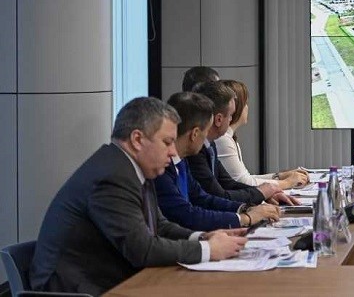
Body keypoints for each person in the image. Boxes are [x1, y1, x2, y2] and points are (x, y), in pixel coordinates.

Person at [29, 97, 247, 295]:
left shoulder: (133, 168)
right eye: (167, 142)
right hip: (76, 288)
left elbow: (159, 226)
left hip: (107, 280)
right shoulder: (112, 176)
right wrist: (208, 250)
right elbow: (141, 249)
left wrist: (202, 237)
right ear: (137, 139)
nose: (173, 152)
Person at [154, 92, 281, 231]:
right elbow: (186, 214)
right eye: (206, 132)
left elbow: (202, 198)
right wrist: (245, 218)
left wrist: (245, 208)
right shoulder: (161, 168)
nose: (206, 140)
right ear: (195, 134)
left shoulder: (181, 161)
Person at [186, 80, 297, 205]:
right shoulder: (197, 150)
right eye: (230, 115)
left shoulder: (210, 145)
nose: (231, 119)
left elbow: (228, 183)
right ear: (218, 119)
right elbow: (218, 195)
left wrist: (263, 195)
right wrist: (262, 194)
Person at [215, 79, 309, 188]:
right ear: (235, 107)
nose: (247, 108)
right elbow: (244, 182)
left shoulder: (229, 138)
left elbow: (246, 178)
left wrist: (279, 176)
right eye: (245, 103)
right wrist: (287, 183)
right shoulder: (223, 140)